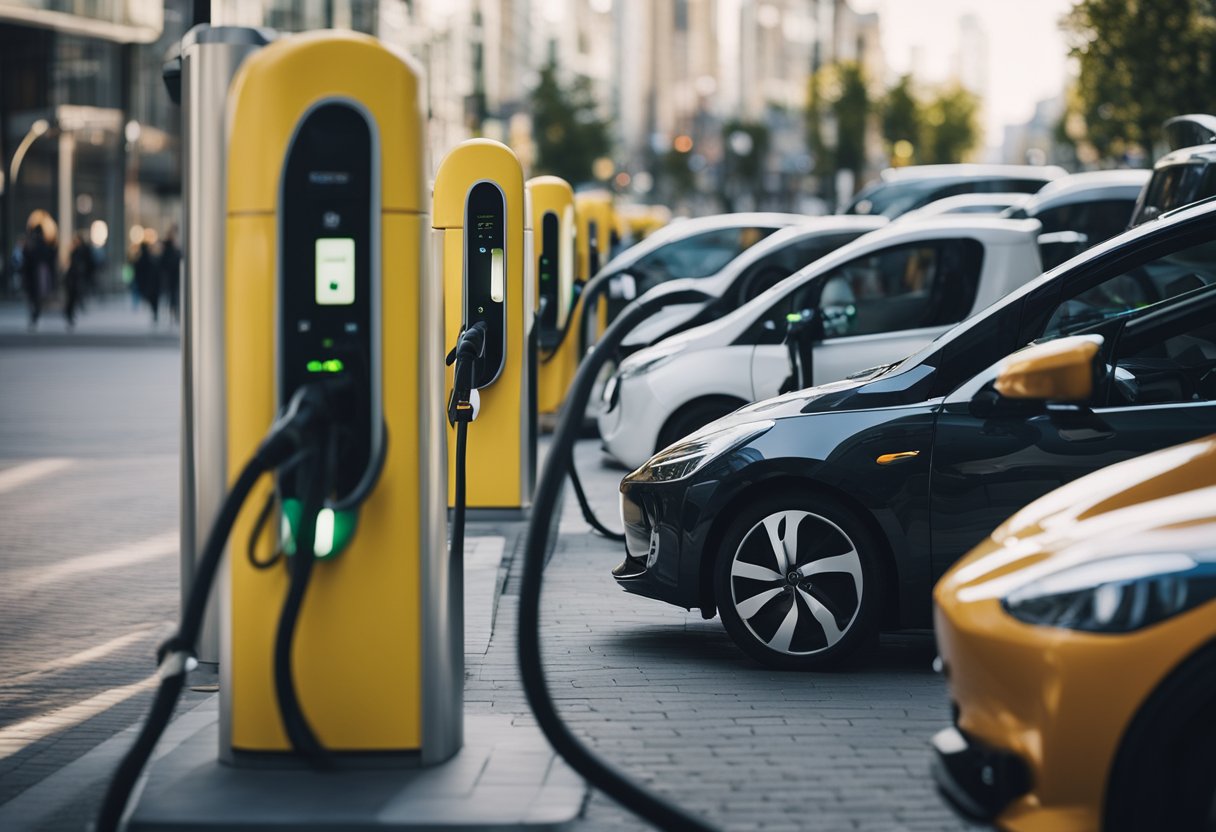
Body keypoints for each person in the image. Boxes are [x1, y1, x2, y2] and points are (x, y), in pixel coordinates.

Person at [20, 221, 56, 331]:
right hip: (38, 274)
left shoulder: (32, 245)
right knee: (37, 297)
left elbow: (26, 260)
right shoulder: (42, 244)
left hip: (33, 274)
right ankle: (35, 316)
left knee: (33, 297)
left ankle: (34, 316)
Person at [64, 233, 94, 329]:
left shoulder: (80, 252)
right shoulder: (77, 252)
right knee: (73, 297)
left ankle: (71, 312)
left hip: (77, 278)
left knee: (75, 296)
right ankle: (70, 313)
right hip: (73, 278)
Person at [132, 237, 160, 324]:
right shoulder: (150, 259)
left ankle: (153, 312)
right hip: (151, 283)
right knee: (153, 299)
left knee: (151, 299)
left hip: (148, 283)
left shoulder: (141, 259)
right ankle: (154, 313)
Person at [159, 226, 182, 325]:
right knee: (172, 296)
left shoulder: (169, 249)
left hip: (172, 277)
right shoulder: (170, 249)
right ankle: (173, 313)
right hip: (171, 277)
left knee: (172, 296)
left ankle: (173, 313)